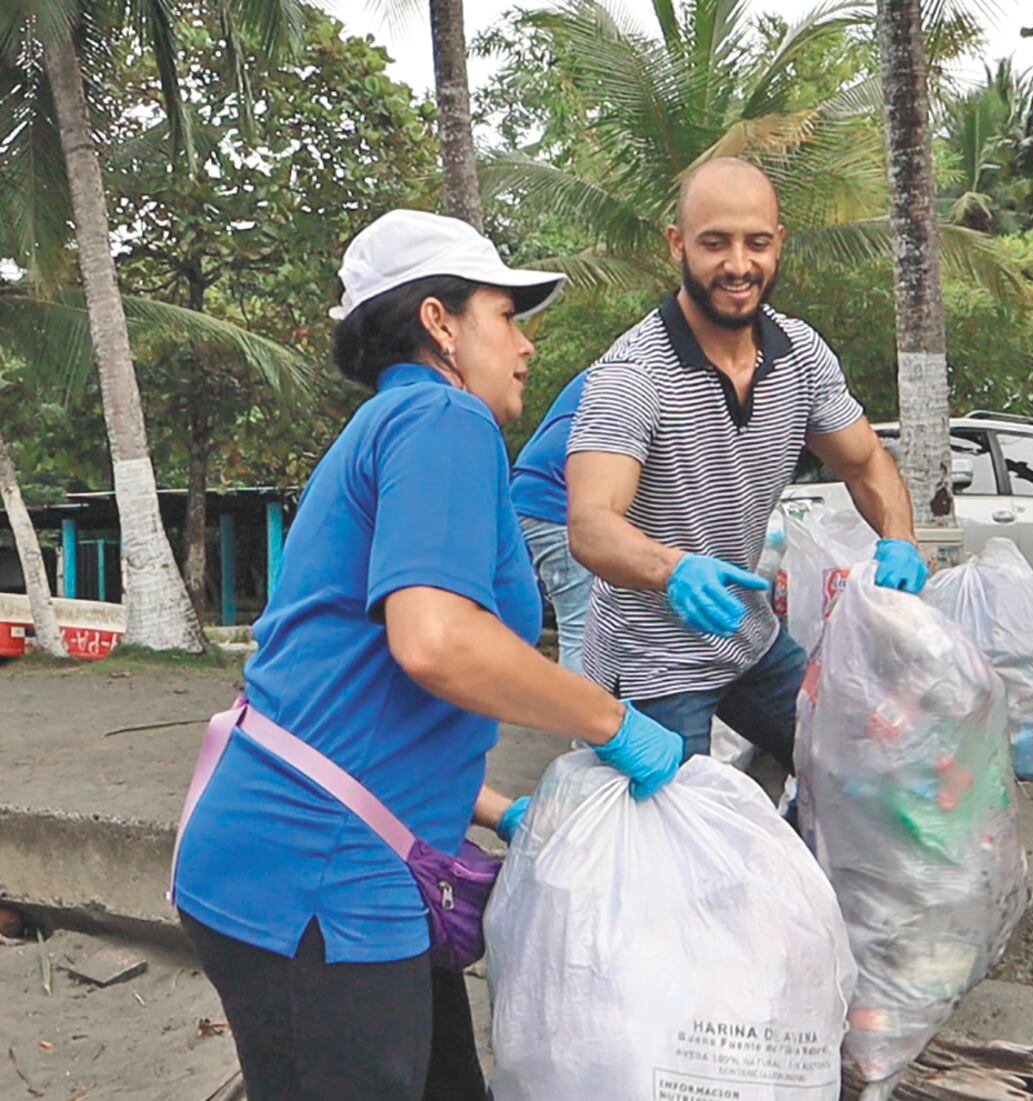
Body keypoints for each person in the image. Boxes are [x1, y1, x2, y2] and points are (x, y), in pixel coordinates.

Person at [171, 210, 684, 1101]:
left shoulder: (393, 427)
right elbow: (436, 642)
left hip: (349, 860)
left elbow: (344, 686)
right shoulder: (443, 419)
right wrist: (613, 722)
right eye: (507, 315)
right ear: (441, 322)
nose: (525, 345)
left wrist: (492, 807)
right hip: (318, 883)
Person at [566, 157, 928, 767]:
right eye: (715, 244)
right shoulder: (632, 374)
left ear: (778, 244)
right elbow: (590, 523)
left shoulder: (801, 355)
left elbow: (866, 465)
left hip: (744, 634)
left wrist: (901, 540)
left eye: (756, 243)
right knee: (679, 834)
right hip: (652, 659)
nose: (738, 265)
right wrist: (671, 570)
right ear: (677, 245)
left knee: (851, 769)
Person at [511, 368, 593, 672]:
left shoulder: (620, 363)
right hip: (557, 500)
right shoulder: (650, 367)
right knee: (583, 629)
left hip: (535, 493)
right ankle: (584, 718)